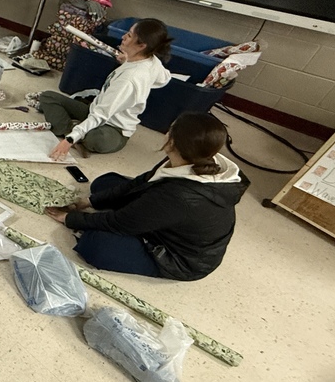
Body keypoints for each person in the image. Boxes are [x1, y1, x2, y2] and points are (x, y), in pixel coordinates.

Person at [45, 112, 250, 281]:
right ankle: (120, 211)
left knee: (94, 244)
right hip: (168, 216)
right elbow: (143, 181)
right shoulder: (193, 156)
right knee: (104, 183)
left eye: (170, 129)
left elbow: (120, 223)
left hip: (180, 258)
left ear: (172, 141)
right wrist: (88, 202)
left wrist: (70, 219)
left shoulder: (179, 196)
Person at [43, 18, 173, 160]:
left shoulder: (129, 80)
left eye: (129, 35)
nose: (123, 37)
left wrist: (69, 140)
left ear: (141, 45)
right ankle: (77, 128)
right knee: (48, 97)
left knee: (96, 139)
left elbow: (102, 114)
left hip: (114, 128)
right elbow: (165, 78)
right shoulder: (151, 60)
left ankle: (74, 130)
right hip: (94, 110)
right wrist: (128, 62)